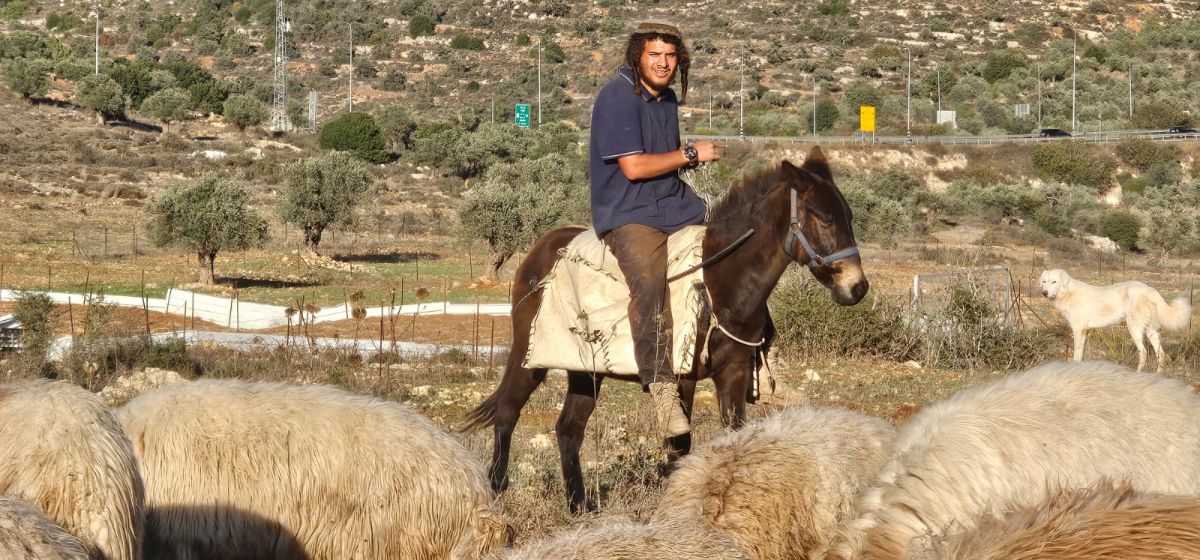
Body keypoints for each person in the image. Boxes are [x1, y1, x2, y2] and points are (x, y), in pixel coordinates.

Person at [588, 21, 720, 438]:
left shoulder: (666, 99)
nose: (663, 63)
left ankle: (752, 347)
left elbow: (664, 162)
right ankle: (662, 389)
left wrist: (685, 161)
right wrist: (690, 153)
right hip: (630, 211)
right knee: (650, 283)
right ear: (637, 57)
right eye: (654, 55)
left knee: (735, 247)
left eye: (670, 56)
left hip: (671, 202)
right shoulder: (617, 98)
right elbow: (634, 166)